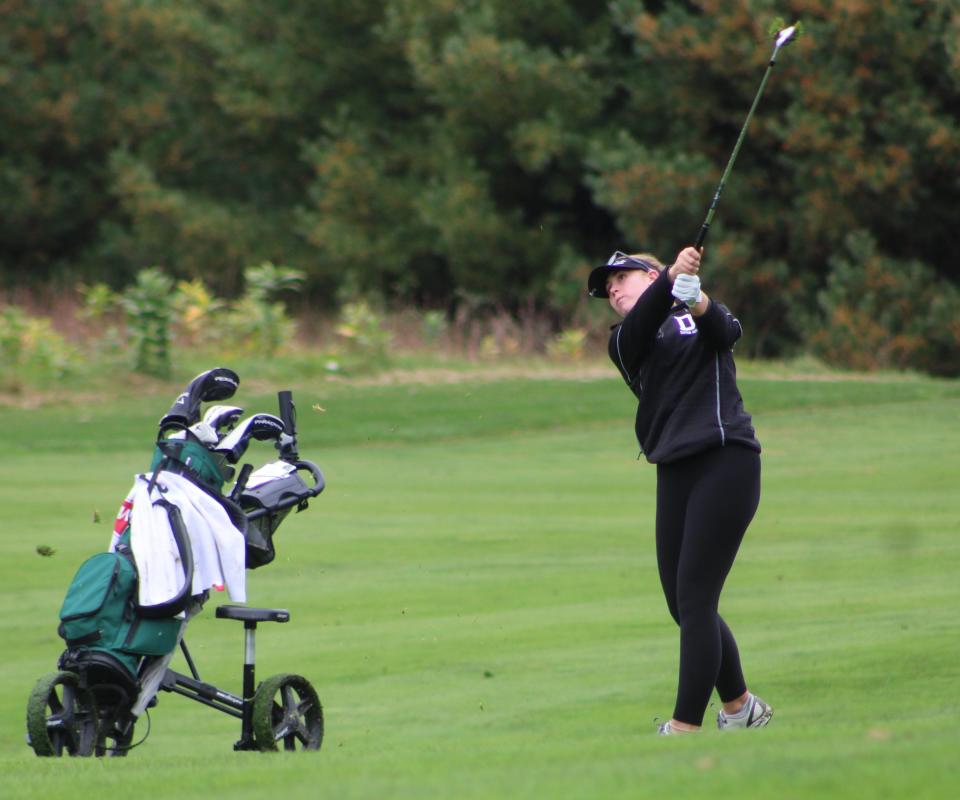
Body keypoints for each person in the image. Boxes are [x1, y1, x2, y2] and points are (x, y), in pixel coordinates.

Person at [587, 247, 771, 735]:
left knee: (693, 599)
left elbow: (727, 333)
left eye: (620, 278)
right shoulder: (626, 340)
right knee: (683, 604)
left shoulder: (694, 310)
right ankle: (741, 706)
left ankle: (684, 727)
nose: (613, 290)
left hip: (726, 457)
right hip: (674, 469)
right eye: (607, 290)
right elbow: (643, 325)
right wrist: (671, 278)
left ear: (647, 274)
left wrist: (701, 301)